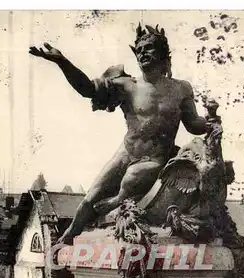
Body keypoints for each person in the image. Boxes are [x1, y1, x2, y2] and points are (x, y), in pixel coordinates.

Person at [29, 24, 208, 244]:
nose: (143, 52)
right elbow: (87, 89)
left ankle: (116, 202)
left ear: (162, 52)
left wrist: (211, 122)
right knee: (91, 196)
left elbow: (193, 125)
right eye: (139, 49)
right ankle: (69, 235)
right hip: (126, 151)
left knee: (134, 178)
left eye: (149, 48)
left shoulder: (181, 89)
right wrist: (62, 61)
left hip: (155, 159)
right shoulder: (127, 85)